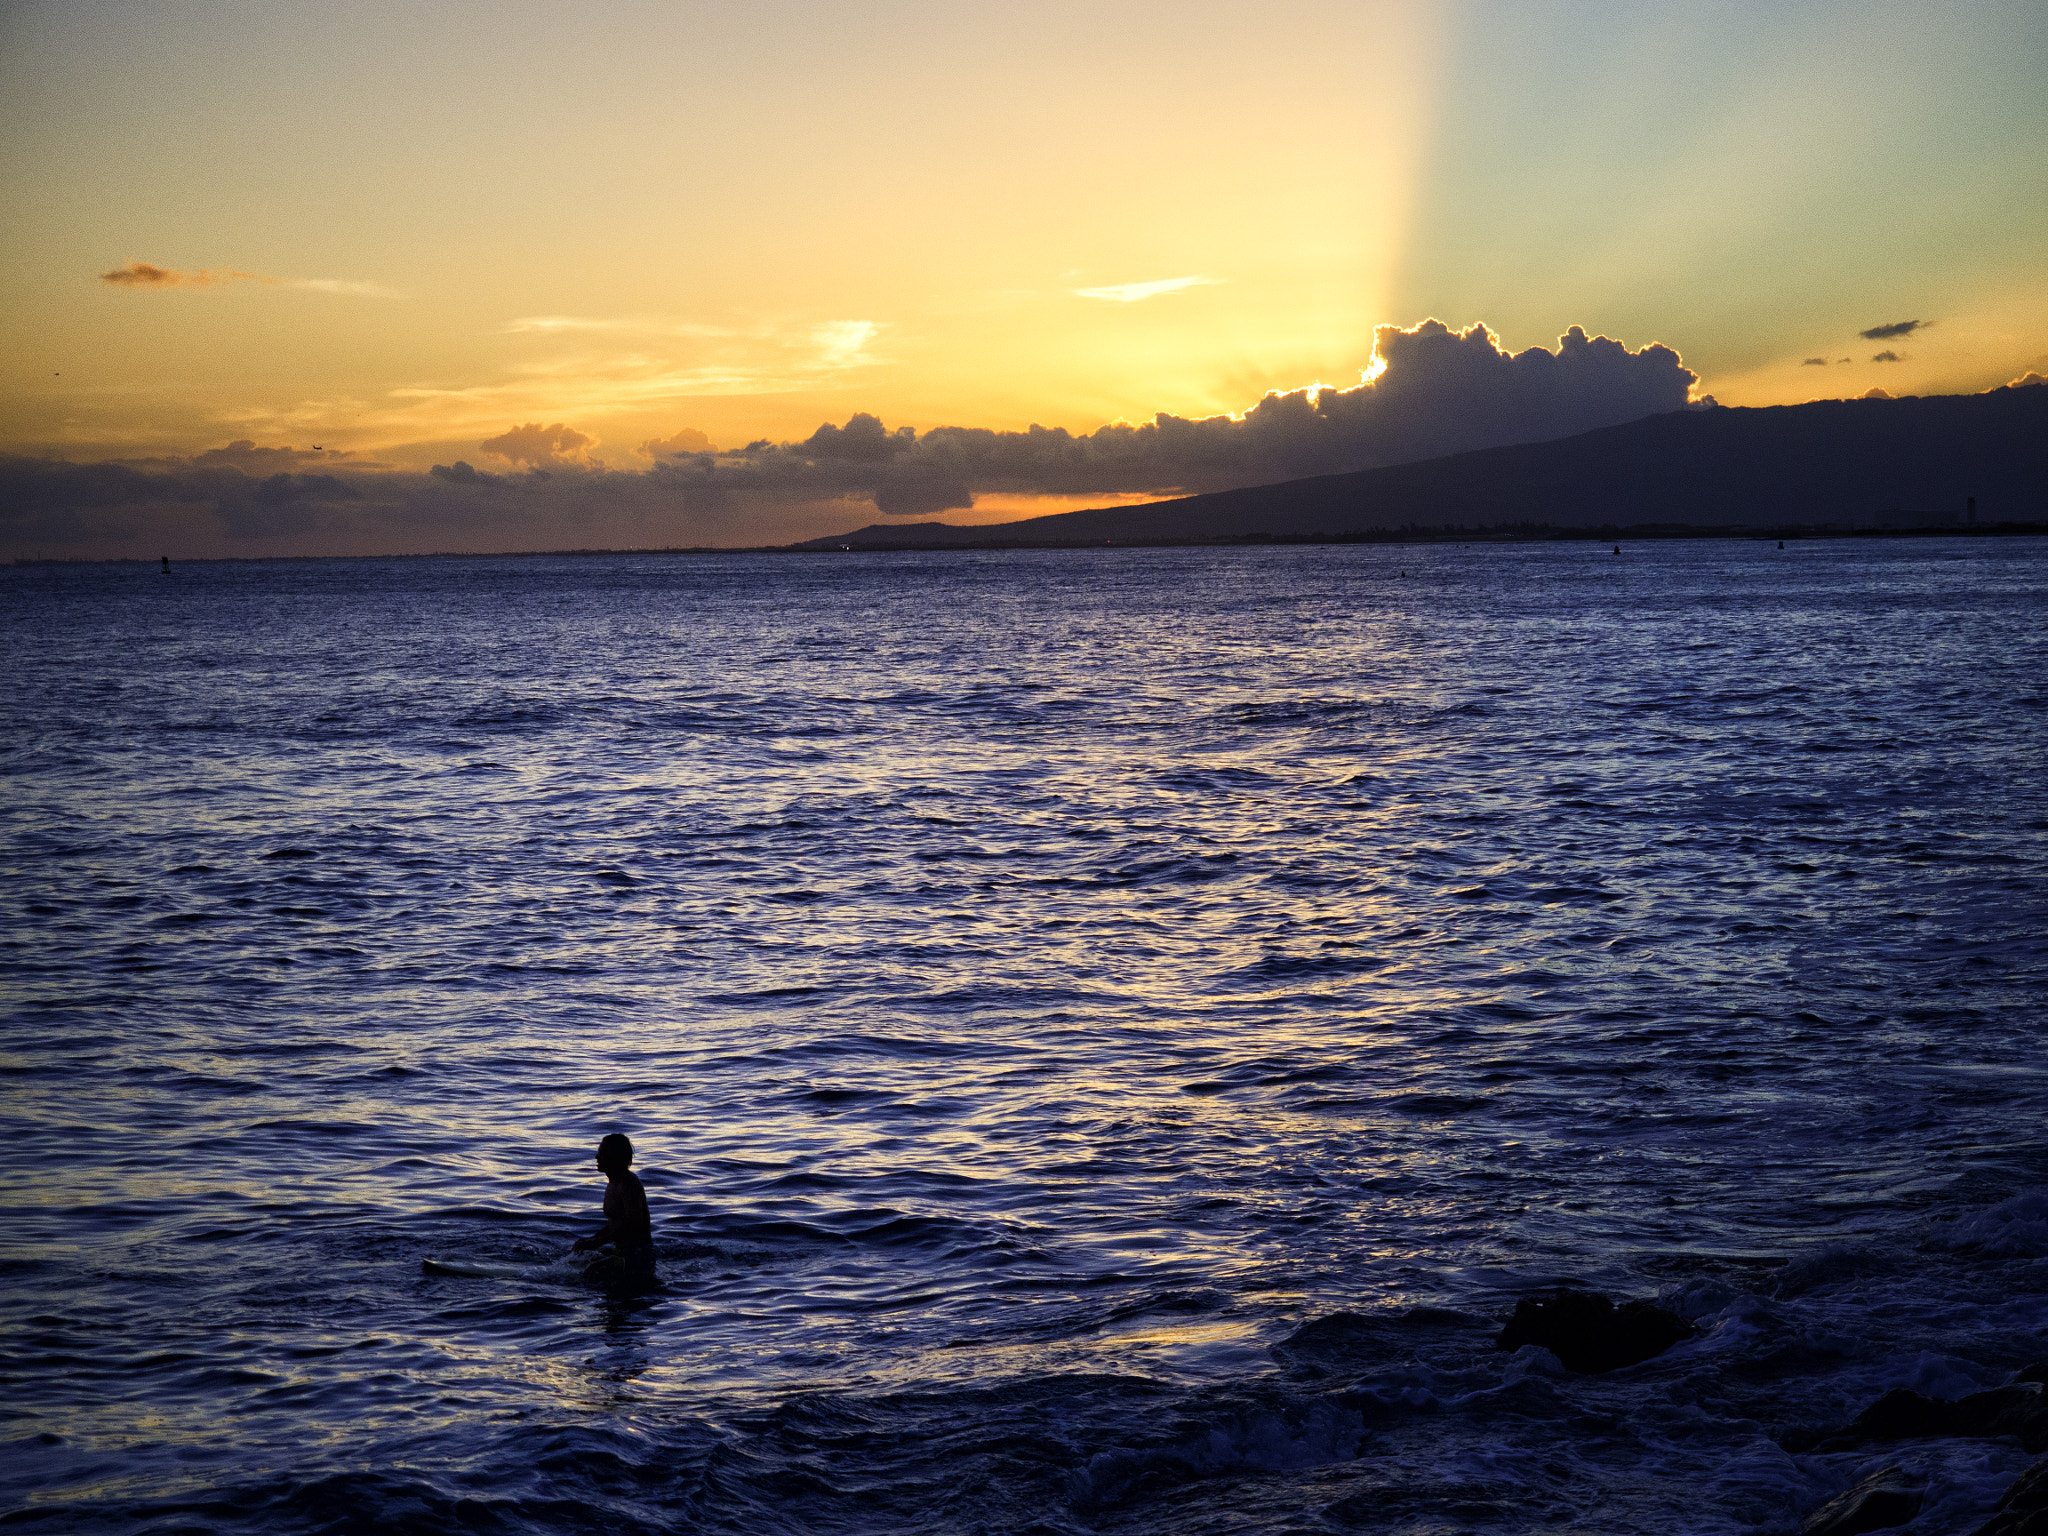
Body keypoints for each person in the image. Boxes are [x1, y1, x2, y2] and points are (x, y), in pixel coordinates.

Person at [571, 1133, 654, 1277]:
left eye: (602, 1154)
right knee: (576, 1261)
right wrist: (592, 1239)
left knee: (587, 1274)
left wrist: (597, 1242)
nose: (596, 1158)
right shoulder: (613, 1183)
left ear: (615, 1157)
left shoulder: (628, 1184)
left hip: (637, 1255)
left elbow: (633, 1223)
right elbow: (616, 1223)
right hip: (620, 1250)